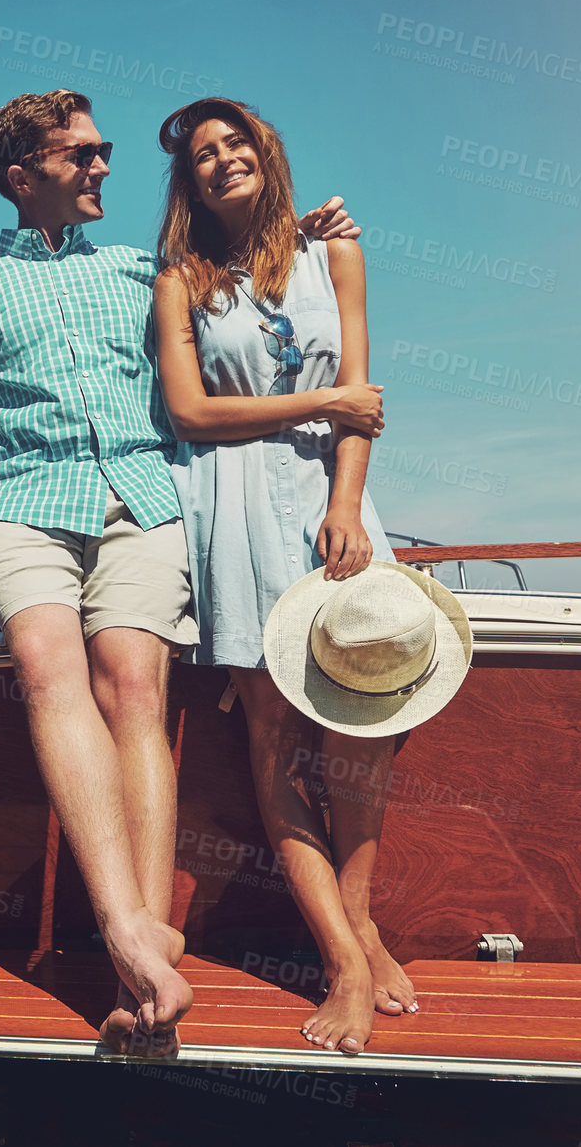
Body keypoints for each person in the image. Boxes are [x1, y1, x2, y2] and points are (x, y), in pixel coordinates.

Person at [0, 89, 358, 1054]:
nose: (101, 167)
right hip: (23, 506)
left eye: (104, 152)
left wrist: (301, 227)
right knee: (52, 666)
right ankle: (131, 932)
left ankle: (151, 932)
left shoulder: (143, 272)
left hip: (141, 499)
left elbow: (235, 279)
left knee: (134, 681)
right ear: (22, 176)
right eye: (81, 155)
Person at [153, 96, 411, 1055]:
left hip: (329, 500)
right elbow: (188, 415)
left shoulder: (333, 250)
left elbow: (364, 402)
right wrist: (330, 398)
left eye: (236, 143)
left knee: (364, 727)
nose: (221, 160)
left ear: (268, 153)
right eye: (203, 156)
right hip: (233, 508)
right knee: (272, 736)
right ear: (189, 184)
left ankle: (362, 924)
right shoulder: (180, 281)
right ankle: (344, 959)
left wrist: (345, 508)